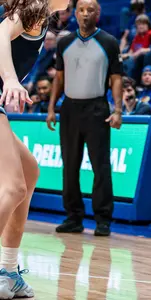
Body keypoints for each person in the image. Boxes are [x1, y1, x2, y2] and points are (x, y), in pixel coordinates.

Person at [0, 0, 70, 298]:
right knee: (13, 188)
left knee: (29, 176)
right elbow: (1, 33)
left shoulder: (42, 20)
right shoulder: (31, 11)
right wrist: (11, 80)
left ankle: (8, 269)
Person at [46, 0, 123, 237]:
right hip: (69, 108)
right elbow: (58, 78)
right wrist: (51, 108)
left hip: (96, 108)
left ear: (98, 14)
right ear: (75, 13)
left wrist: (118, 110)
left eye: (90, 10)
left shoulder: (108, 42)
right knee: (69, 165)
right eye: (81, 10)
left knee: (100, 165)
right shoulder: (65, 42)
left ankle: (103, 219)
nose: (85, 14)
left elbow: (117, 78)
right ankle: (73, 217)